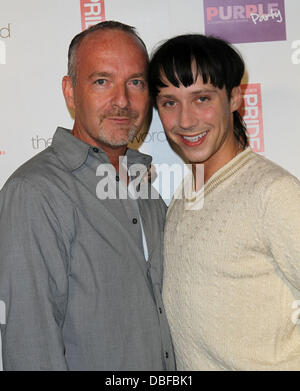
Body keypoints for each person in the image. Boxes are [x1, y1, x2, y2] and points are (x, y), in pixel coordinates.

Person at [0, 21, 175, 371]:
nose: (122, 101)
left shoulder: (147, 191)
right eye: (102, 81)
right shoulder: (35, 192)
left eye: (135, 83)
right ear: (70, 92)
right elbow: (30, 347)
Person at [148, 34, 300, 370]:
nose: (186, 121)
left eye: (201, 98)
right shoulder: (182, 199)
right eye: (170, 103)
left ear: (234, 98)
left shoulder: (273, 193)